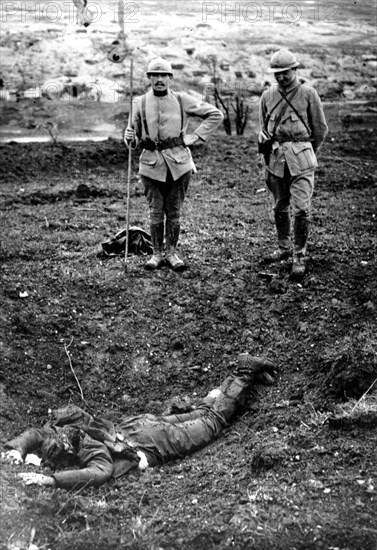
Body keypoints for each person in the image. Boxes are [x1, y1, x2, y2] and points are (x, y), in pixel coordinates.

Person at [2, 354, 276, 489]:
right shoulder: (66, 429)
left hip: (153, 442)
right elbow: (36, 434)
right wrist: (18, 448)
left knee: (214, 421)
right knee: (202, 413)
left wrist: (53, 481)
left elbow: (98, 474)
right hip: (137, 425)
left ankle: (244, 372)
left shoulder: (91, 452)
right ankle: (246, 374)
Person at [124, 57, 223, 271]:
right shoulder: (139, 102)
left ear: (170, 78)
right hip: (151, 164)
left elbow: (215, 114)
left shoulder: (181, 99)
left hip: (179, 165)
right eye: (154, 76)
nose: (159, 80)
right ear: (149, 78)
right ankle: (157, 254)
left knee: (174, 211)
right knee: (155, 211)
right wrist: (129, 136)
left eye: (163, 75)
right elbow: (132, 139)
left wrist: (195, 137)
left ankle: (172, 253)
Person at [259, 49, 328, 276]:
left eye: (285, 73)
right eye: (276, 73)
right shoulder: (267, 95)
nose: (280, 77)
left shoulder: (308, 94)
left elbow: (320, 129)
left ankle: (299, 254)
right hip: (276, 160)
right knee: (279, 206)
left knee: (301, 210)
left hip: (302, 160)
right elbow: (264, 128)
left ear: (295, 70)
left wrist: (306, 152)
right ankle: (283, 247)